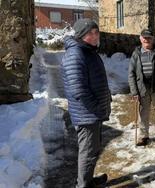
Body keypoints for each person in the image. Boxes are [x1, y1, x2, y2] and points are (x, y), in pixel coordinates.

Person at [61, 18, 111, 188]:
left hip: (92, 114)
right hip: (87, 114)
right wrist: (97, 108)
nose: (96, 36)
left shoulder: (87, 51)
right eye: (91, 33)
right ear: (82, 35)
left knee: (93, 151)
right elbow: (79, 91)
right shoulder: (76, 54)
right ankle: (83, 185)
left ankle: (88, 181)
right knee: (88, 153)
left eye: (97, 32)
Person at [128, 28, 155, 146]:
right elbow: (131, 73)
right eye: (144, 37)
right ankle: (143, 136)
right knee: (143, 112)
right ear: (140, 39)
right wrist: (134, 91)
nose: (147, 39)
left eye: (149, 37)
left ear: (153, 39)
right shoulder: (136, 53)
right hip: (143, 88)